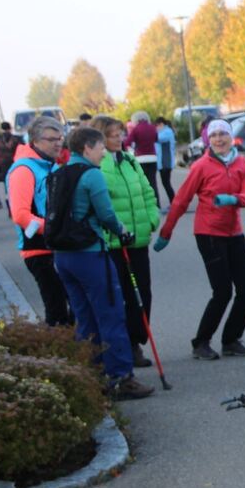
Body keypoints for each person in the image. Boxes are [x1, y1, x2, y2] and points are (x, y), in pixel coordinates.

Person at [49, 127, 151, 400]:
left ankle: (92, 374)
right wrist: (123, 231)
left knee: (84, 316)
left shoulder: (58, 173)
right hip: (89, 252)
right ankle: (121, 376)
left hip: (63, 254)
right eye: (100, 148)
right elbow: (106, 213)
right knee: (111, 314)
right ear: (87, 148)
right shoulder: (91, 175)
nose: (104, 152)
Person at [156, 119, 245, 360]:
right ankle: (201, 342)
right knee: (222, 291)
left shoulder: (241, 162)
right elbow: (181, 200)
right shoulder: (201, 166)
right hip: (208, 233)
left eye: (223, 134)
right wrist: (166, 232)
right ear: (207, 140)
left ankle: (231, 340)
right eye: (214, 136)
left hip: (234, 231)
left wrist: (233, 199)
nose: (219, 139)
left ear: (231, 137)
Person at [92, 115, 161, 372]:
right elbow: (101, 203)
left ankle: (136, 340)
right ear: (100, 138)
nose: (119, 139)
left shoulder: (131, 160)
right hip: (114, 243)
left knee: (143, 294)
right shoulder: (100, 166)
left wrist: (152, 219)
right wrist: (113, 230)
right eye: (112, 135)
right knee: (120, 295)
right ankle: (122, 347)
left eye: (121, 133)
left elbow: (147, 191)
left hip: (138, 238)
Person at [6, 116, 71, 326]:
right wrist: (55, 229)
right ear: (34, 141)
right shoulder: (23, 170)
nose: (58, 143)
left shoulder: (49, 166)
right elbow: (21, 215)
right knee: (57, 308)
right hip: (38, 249)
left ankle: (74, 350)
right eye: (52, 139)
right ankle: (58, 355)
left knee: (73, 307)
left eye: (60, 138)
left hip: (57, 246)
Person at [124, 111, 160, 203]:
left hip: (140, 158)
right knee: (153, 182)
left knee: (142, 182)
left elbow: (127, 142)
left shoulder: (136, 129)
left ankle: (146, 202)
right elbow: (156, 139)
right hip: (152, 157)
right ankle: (157, 203)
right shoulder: (152, 127)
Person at [154, 116, 178, 210]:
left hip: (166, 162)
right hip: (163, 162)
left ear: (162, 124)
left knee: (166, 183)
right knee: (166, 183)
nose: (156, 128)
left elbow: (158, 139)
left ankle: (174, 203)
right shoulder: (164, 131)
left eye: (157, 125)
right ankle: (174, 202)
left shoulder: (166, 132)